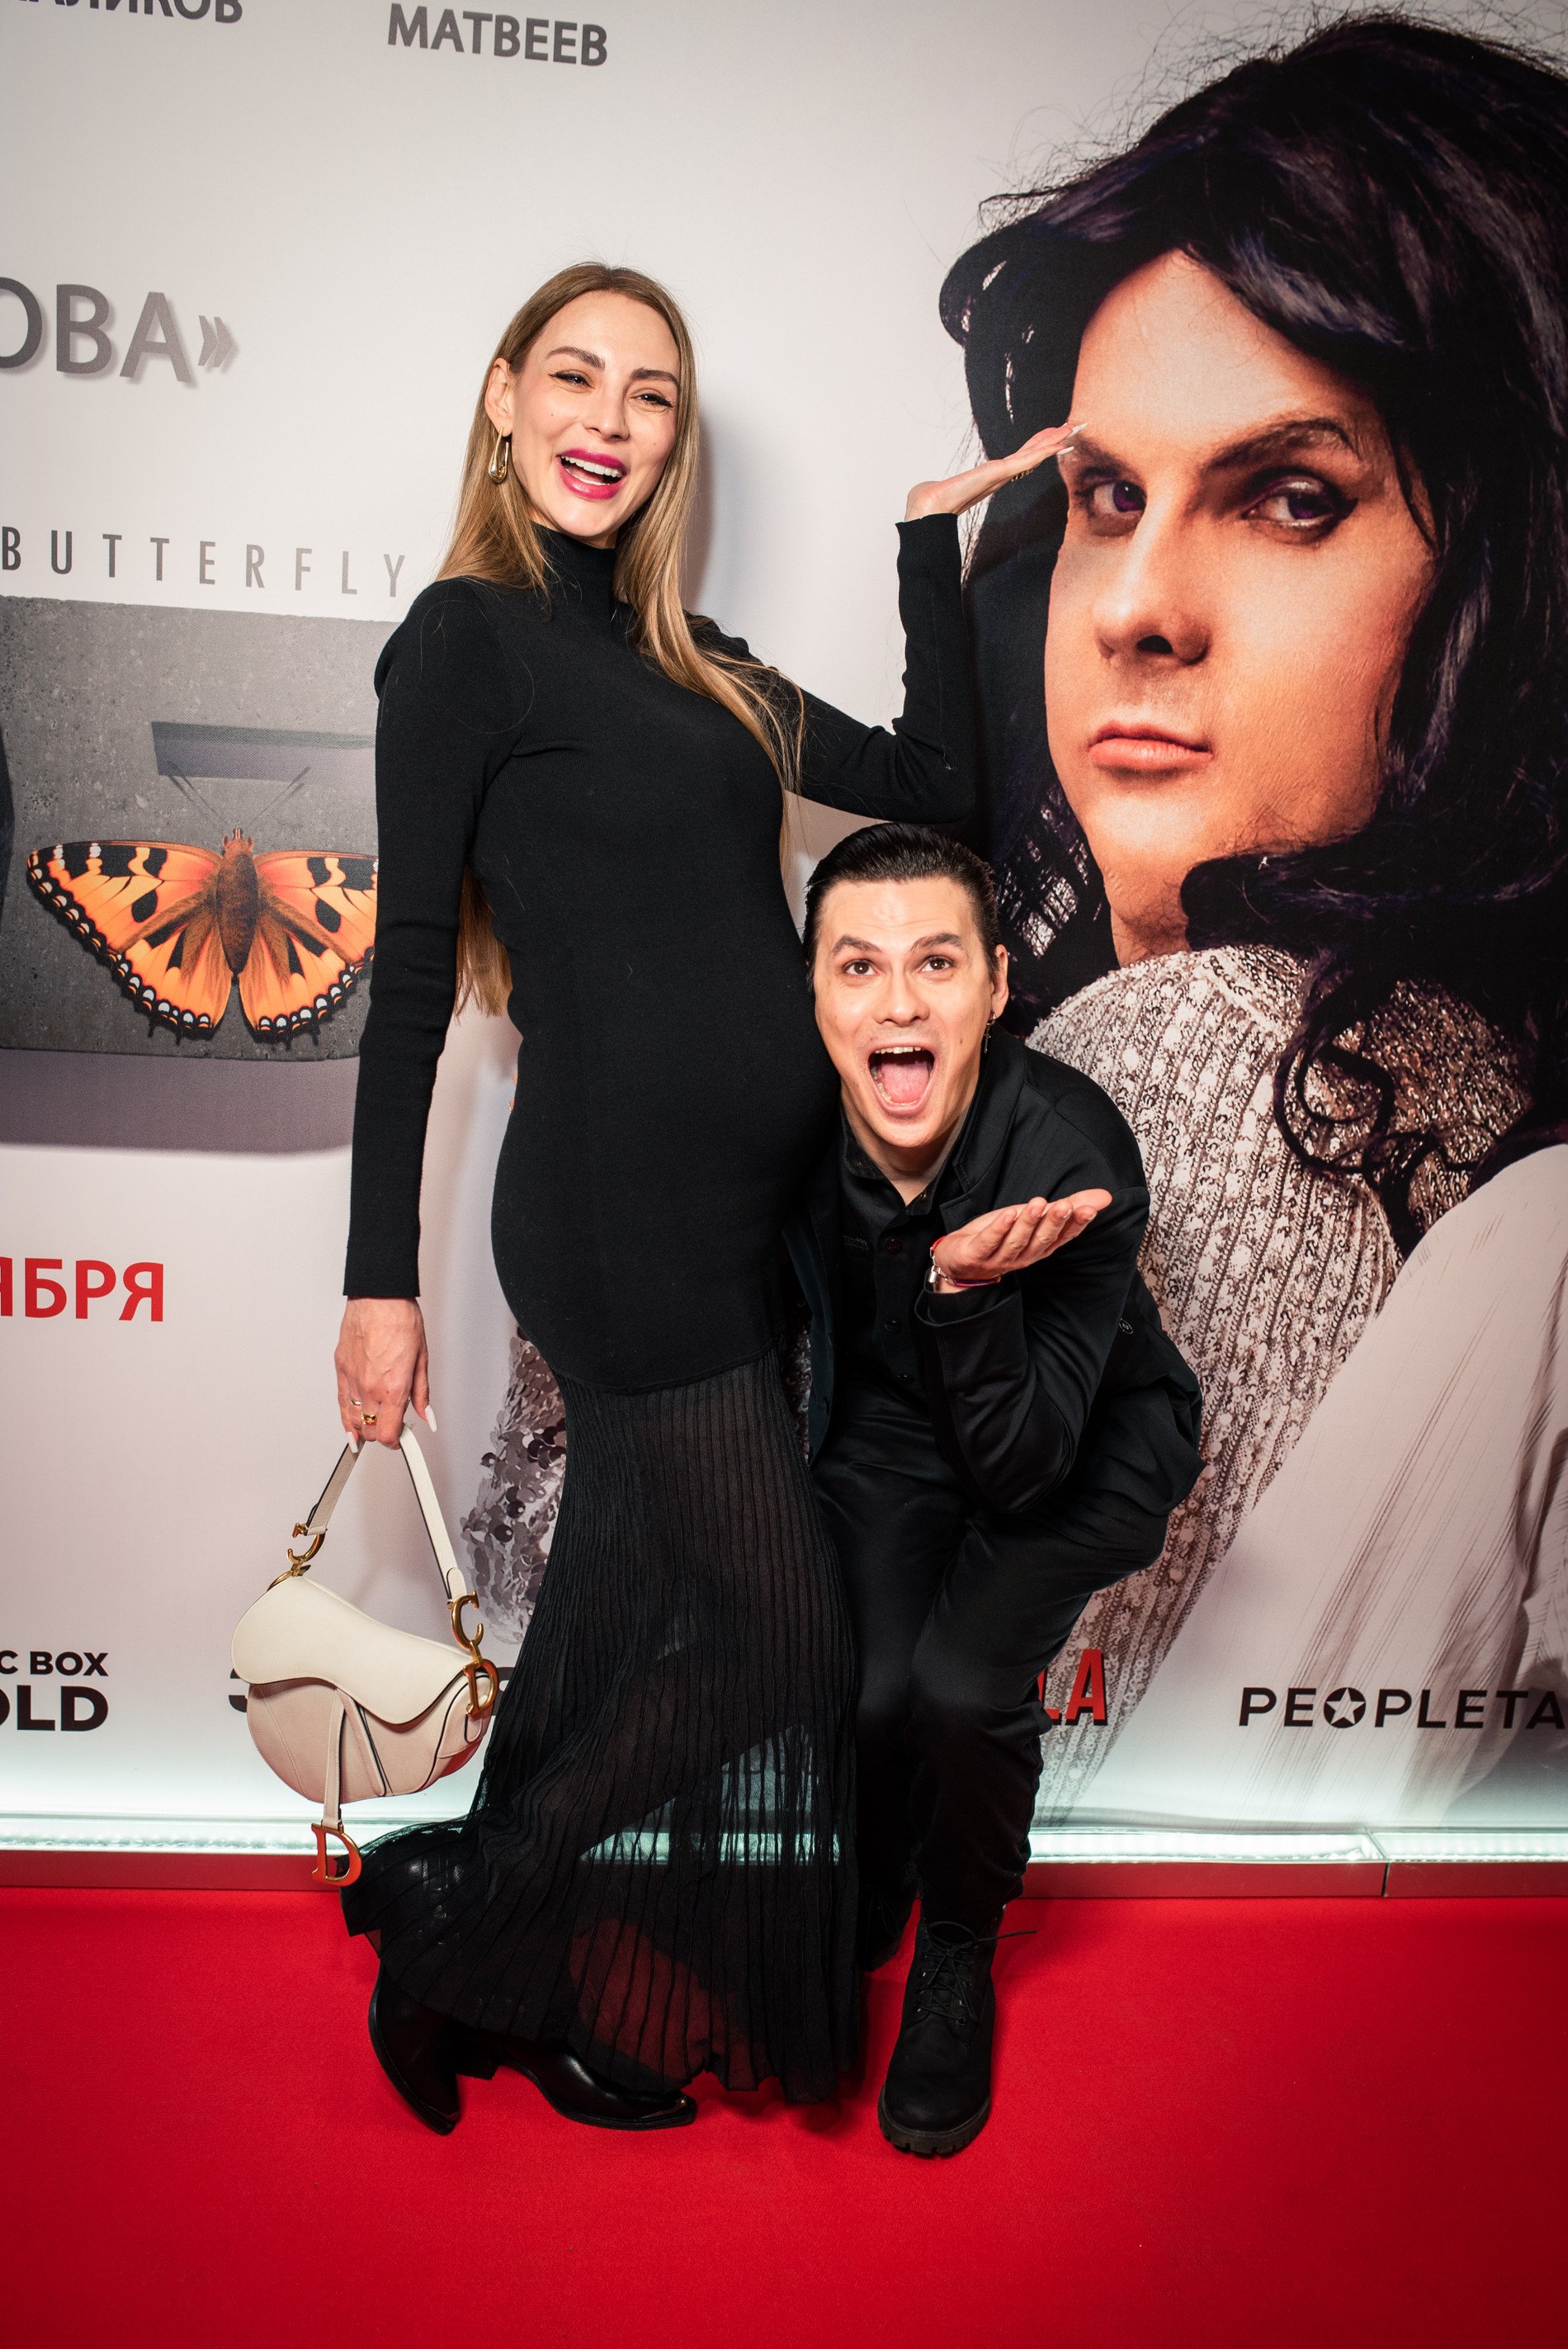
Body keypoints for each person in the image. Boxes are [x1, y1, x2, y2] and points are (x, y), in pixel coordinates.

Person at [332, 259, 1074, 2134]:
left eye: (649, 393)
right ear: (504, 397)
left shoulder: (693, 658)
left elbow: (934, 788)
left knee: (615, 1621)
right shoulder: (465, 641)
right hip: (615, 1226)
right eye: (574, 377)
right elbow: (407, 979)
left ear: (674, 439)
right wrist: (376, 1283)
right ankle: (457, 1923)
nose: (609, 420)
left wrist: (927, 547)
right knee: (774, 1639)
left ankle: (504, 1961)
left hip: (743, 1233)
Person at [937, 18, 1568, 1826]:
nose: (1131, 607)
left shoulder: (1219, 1070)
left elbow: (1009, 1830)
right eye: (1104, 497)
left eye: (1291, 500)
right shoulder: (1475, 1096)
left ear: (1513, 580)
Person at [787, 823, 1201, 2154]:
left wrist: (967, 1289)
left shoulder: (1073, 1148)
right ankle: (875, 1875)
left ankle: (959, 1945)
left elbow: (1023, 1464)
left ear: (998, 982)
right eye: (858, 965)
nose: (898, 1002)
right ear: (813, 992)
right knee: (864, 1688)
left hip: (1075, 1443)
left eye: (936, 962)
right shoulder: (783, 1128)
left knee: (962, 1685)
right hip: (895, 1433)